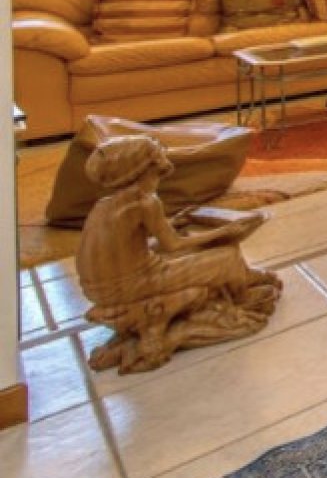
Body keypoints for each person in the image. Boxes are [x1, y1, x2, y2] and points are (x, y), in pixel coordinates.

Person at [76, 135, 281, 373]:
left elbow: (132, 246)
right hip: (133, 285)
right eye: (157, 172)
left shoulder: (103, 205)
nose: (159, 178)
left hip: (100, 289)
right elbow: (173, 244)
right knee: (227, 256)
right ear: (142, 172)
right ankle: (243, 295)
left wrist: (174, 222)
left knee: (194, 243)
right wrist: (223, 231)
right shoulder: (145, 202)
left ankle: (248, 277)